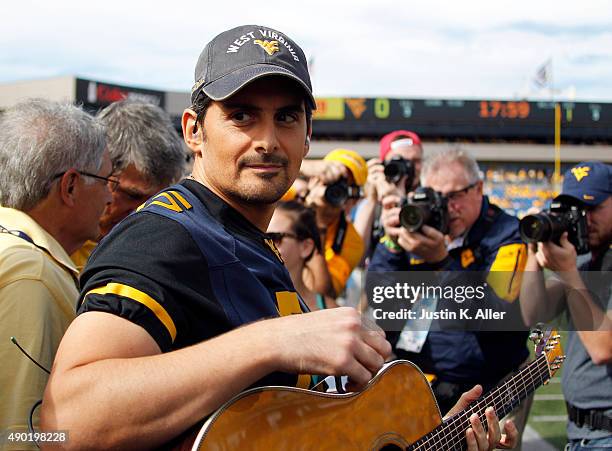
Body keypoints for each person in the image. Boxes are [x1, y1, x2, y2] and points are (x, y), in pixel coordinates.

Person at [41, 25, 516, 450]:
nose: (267, 139)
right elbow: (68, 421)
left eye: (286, 118)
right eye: (242, 116)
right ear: (194, 130)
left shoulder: (246, 237)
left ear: (308, 136)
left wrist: (432, 437)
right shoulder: (165, 236)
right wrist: (271, 340)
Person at [368, 148, 531, 445]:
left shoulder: (506, 234)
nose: (445, 207)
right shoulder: (419, 227)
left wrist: (443, 262)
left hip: (488, 386)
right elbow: (383, 301)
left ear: (478, 188)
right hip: (422, 384)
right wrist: (391, 243)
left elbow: (496, 312)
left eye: (454, 196)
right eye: (436, 197)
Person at [0, 99, 111, 443]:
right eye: (107, 180)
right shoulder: (32, 275)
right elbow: (19, 434)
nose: (110, 196)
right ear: (71, 186)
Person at [521, 161, 611, 450]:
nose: (585, 219)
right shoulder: (585, 262)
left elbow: (603, 348)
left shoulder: (578, 269)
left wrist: (570, 274)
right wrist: (534, 251)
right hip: (580, 432)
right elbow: (533, 313)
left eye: (593, 207)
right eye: (576, 211)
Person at [71, 99, 186, 270]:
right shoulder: (53, 243)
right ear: (100, 168)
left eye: (158, 200)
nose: (143, 211)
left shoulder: (166, 249)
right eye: (132, 195)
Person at [304, 148, 368, 297]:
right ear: (314, 180)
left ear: (354, 201)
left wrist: (319, 224)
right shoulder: (289, 196)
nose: (335, 191)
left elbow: (324, 295)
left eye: (344, 188)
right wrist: (303, 166)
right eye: (330, 182)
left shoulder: (351, 241)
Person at [355, 130, 424, 258]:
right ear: (383, 165)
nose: (409, 168)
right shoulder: (370, 203)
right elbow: (356, 257)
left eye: (415, 161)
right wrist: (371, 198)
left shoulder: (430, 199)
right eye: (400, 161)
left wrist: (401, 201)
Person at [268, 201, 335, 310]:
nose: (264, 243)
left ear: (306, 247)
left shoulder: (331, 312)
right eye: (259, 236)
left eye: (274, 238)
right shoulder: (241, 298)